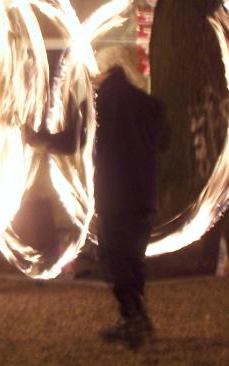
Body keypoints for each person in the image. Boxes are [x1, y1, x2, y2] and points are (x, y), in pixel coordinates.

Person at [27, 46, 168, 349]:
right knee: (133, 259)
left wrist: (36, 138)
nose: (92, 78)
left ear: (106, 71)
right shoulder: (149, 104)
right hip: (145, 195)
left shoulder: (96, 105)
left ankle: (134, 319)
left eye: (96, 72)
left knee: (114, 258)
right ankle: (135, 318)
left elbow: (69, 142)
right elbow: (165, 142)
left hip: (116, 195)